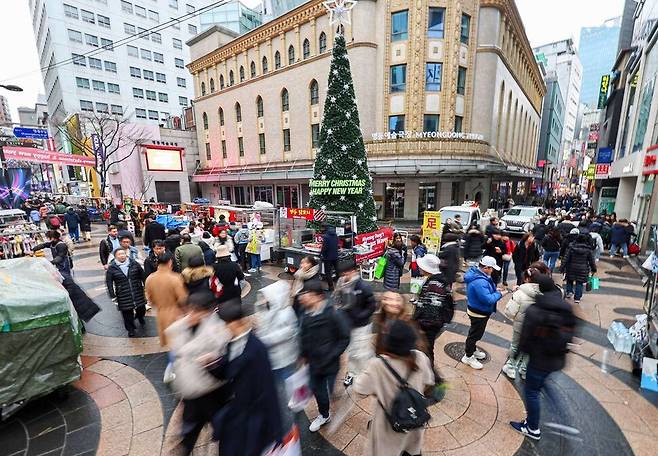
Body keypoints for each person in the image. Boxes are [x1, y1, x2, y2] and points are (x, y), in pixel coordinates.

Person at [206, 299, 284, 456]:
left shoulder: (257, 349)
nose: (221, 328)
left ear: (234, 323)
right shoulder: (232, 343)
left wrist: (277, 431)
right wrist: (212, 365)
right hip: (235, 412)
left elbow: (268, 389)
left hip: (252, 418)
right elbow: (227, 371)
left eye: (223, 324)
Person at [351, 320, 435, 456]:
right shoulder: (420, 357)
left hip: (389, 425)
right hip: (413, 419)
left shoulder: (377, 365)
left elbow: (359, 389)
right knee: (410, 449)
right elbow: (428, 381)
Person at [510, 274, 576, 441]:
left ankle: (532, 427)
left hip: (539, 359)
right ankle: (561, 411)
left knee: (532, 392)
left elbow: (525, 336)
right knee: (542, 383)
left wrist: (516, 354)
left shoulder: (535, 310)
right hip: (557, 358)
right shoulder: (566, 308)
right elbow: (572, 332)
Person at [165, 290, 232, 455]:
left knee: (223, 430)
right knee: (189, 433)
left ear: (208, 312)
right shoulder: (183, 326)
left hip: (212, 391)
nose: (191, 314)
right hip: (191, 393)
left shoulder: (218, 330)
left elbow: (222, 357)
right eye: (190, 309)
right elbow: (176, 348)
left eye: (197, 310)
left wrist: (210, 358)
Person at [298, 280, 351, 432]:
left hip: (330, 363)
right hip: (314, 363)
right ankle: (324, 414)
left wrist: (332, 355)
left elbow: (345, 338)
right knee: (318, 390)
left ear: (318, 296)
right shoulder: (305, 313)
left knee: (329, 388)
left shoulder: (333, 314)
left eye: (306, 294)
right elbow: (304, 336)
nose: (303, 297)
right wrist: (303, 354)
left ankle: (330, 398)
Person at [253, 281, 299, 432]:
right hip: (272, 361)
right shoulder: (266, 310)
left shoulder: (286, 312)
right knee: (277, 392)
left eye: (266, 296)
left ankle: (288, 428)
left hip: (284, 360)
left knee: (283, 394)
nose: (263, 299)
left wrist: (265, 340)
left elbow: (288, 332)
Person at [144, 252, 188, 383]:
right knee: (177, 343)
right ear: (170, 262)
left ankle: (172, 368)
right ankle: (170, 370)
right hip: (176, 313)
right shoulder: (175, 278)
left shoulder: (150, 278)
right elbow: (183, 298)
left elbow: (149, 299)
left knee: (171, 342)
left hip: (161, 314)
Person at [334, 258, 377, 386]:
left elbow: (372, 306)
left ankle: (360, 373)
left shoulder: (362, 286)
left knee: (359, 351)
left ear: (354, 271)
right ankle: (354, 372)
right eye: (343, 273)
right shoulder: (341, 283)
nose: (345, 276)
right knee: (353, 350)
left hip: (361, 324)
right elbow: (337, 299)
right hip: (347, 323)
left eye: (347, 273)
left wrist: (359, 316)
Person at [462, 256, 508, 369]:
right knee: (475, 335)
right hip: (479, 312)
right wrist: (500, 294)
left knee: (476, 333)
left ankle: (472, 350)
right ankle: (468, 356)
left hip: (477, 310)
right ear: (486, 268)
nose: (493, 271)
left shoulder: (479, 275)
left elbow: (484, 292)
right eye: (492, 268)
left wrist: (494, 290)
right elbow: (488, 299)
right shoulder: (480, 281)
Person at [413, 254, 454, 368]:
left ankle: (430, 374)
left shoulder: (434, 284)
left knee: (426, 349)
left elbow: (431, 311)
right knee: (426, 349)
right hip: (433, 324)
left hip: (429, 326)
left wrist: (420, 325)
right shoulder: (439, 280)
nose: (419, 268)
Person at [501, 268, 541, 380]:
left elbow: (510, 312)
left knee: (515, 346)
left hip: (520, 326)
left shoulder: (519, 293)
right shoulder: (543, 293)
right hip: (536, 327)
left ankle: (510, 367)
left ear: (527, 279)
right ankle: (524, 370)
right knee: (530, 348)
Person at [105, 248, 147, 337]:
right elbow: (109, 282)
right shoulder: (112, 268)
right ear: (115, 256)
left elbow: (142, 275)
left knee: (141, 308)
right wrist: (112, 294)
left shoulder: (134, 263)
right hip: (123, 293)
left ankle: (140, 317)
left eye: (123, 253)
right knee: (127, 313)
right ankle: (130, 329)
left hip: (137, 290)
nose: (122, 256)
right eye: (119, 254)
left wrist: (146, 285)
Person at [561, 233, 596, 304]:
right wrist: (593, 269)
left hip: (571, 267)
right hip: (583, 268)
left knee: (569, 280)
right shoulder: (588, 250)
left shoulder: (571, 248)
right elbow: (591, 260)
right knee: (579, 283)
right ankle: (577, 298)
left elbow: (566, 258)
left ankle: (569, 291)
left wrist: (562, 267)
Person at [321, 224, 339, 289]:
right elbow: (337, 244)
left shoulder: (326, 236)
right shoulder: (336, 235)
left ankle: (331, 287)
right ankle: (339, 283)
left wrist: (321, 254)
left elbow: (324, 247)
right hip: (335, 256)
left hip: (328, 257)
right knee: (337, 270)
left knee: (328, 272)